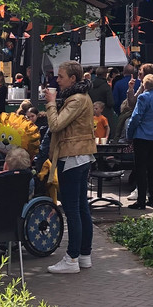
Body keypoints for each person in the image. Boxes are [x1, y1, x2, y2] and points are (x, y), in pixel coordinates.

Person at [44, 61, 97, 274]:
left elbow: (55, 125)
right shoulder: (81, 98)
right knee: (82, 207)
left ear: (73, 79)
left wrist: (50, 104)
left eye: (61, 76)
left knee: (73, 209)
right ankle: (84, 255)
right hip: (82, 156)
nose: (57, 80)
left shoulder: (75, 100)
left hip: (72, 157)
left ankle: (72, 258)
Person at [126, 73, 153, 208]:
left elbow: (136, 117)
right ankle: (152, 198)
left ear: (145, 85)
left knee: (140, 169)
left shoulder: (144, 97)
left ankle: (140, 201)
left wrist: (129, 134)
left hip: (142, 136)